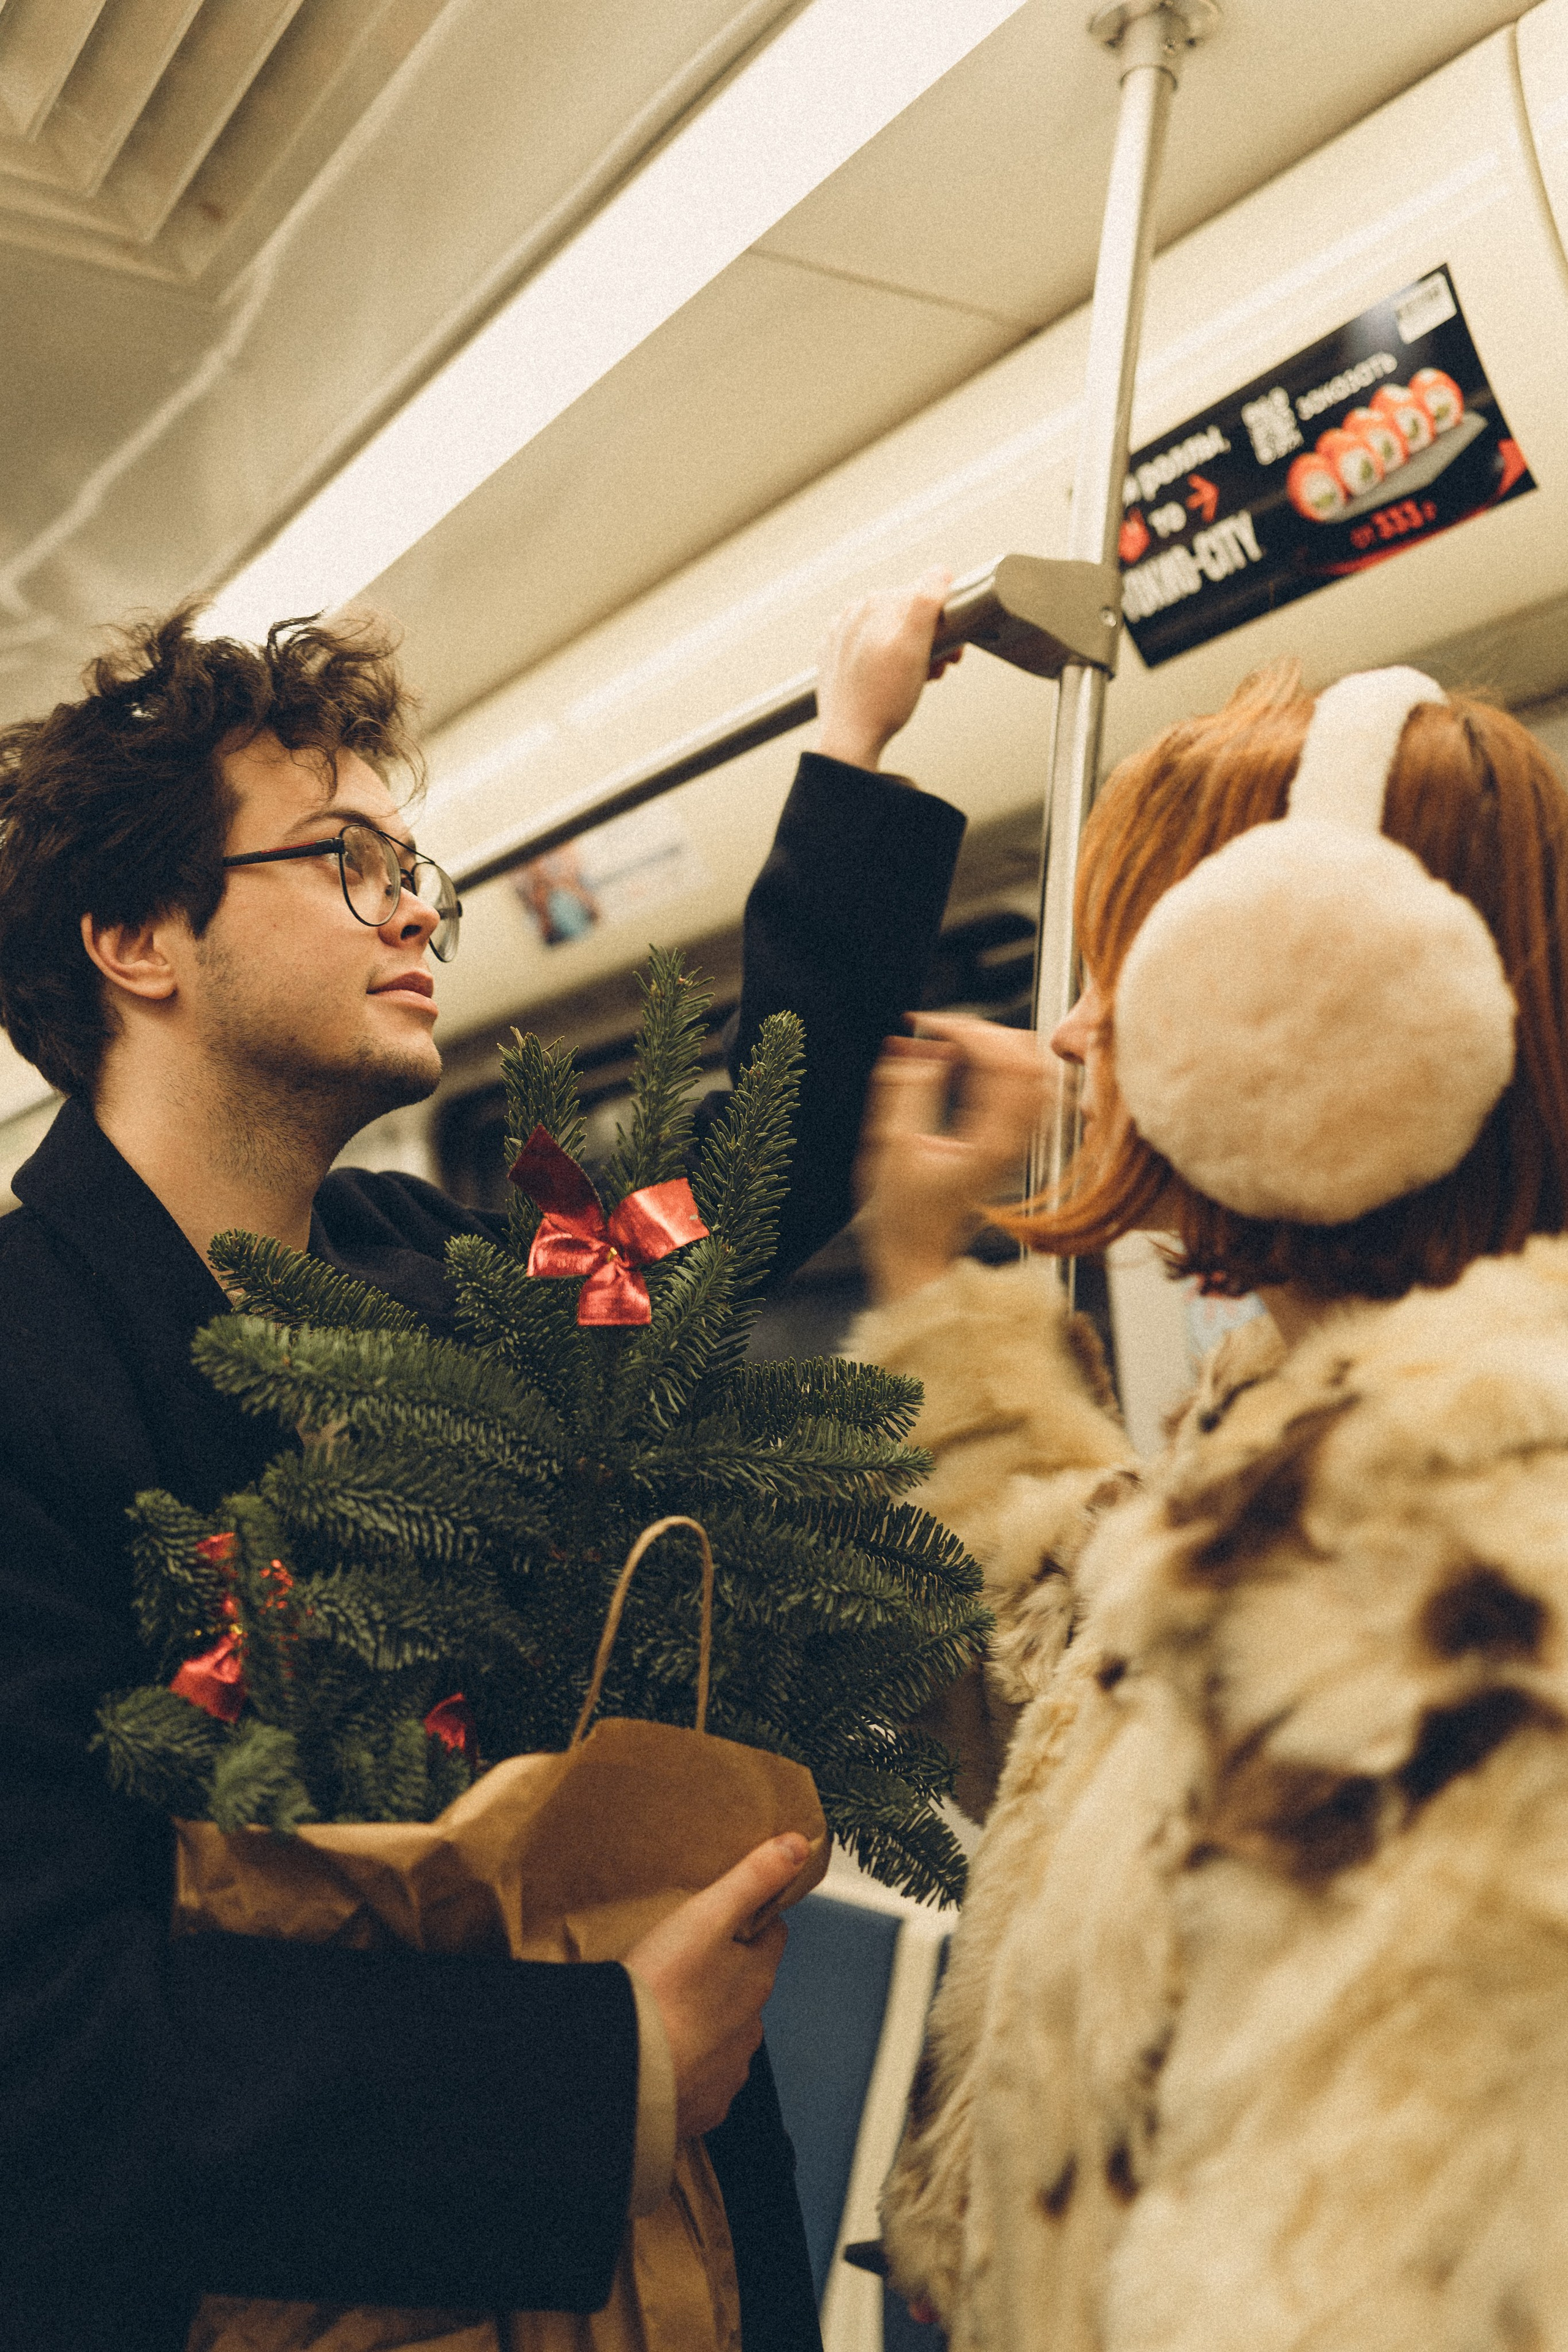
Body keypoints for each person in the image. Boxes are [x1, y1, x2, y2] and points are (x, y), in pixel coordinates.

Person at [0, 573, 967, 2352]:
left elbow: (723, 1198)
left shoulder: (428, 1268)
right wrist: (613, 2067)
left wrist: (851, 753)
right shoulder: (28, 1373)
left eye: (413, 867)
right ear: (136, 939)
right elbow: (45, 2034)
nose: (411, 908)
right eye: (344, 860)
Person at [846, 660, 1568, 2350]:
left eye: (1138, 968)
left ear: (1311, 988)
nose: (1078, 1030)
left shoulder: (1467, 1549)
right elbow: (1077, 1665)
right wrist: (922, 1272)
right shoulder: (1304, 1440)